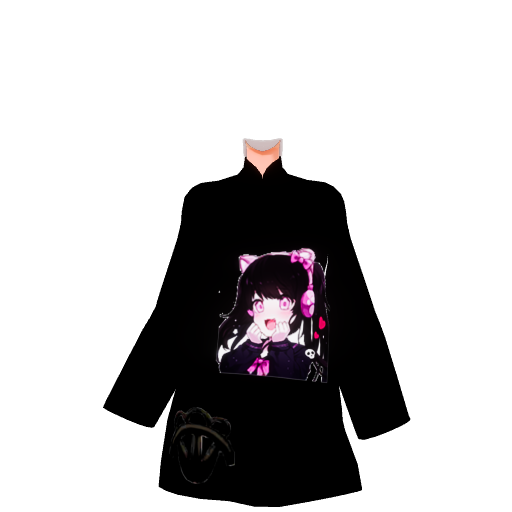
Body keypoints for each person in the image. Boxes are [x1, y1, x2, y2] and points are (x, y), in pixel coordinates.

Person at [217, 249, 329, 382]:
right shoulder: (246, 345)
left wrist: (280, 345)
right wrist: (251, 346)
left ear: (303, 306)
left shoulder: (299, 351)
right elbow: (226, 368)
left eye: (284, 303)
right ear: (250, 310)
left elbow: (291, 375)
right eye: (259, 304)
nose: (269, 315)